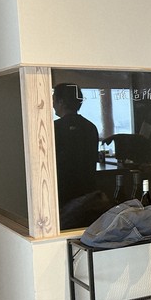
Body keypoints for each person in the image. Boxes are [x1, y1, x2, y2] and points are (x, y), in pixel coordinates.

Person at [53, 83, 101, 228]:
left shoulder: (54, 128)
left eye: (54, 99)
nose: (52, 104)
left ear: (61, 102)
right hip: (88, 195)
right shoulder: (90, 127)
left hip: (62, 195)